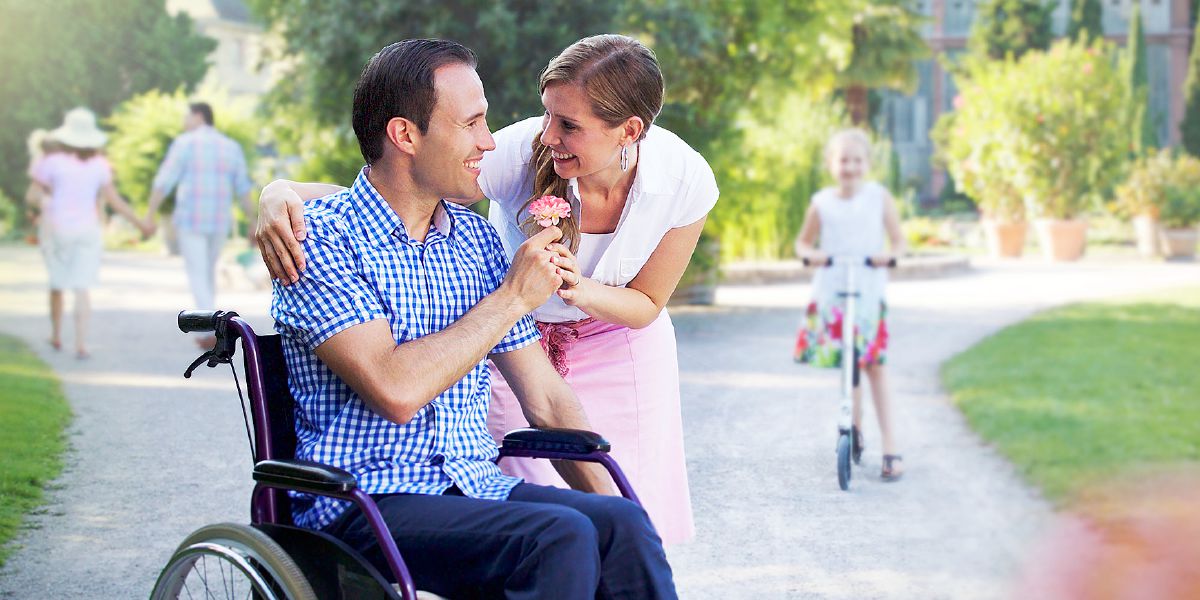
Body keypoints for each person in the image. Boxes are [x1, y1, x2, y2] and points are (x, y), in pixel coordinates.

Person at [256, 34, 718, 545]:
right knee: (560, 535)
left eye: (569, 125)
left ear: (630, 131)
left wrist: (619, 524)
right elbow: (390, 188)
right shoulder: (328, 239)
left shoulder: (679, 179)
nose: (498, 139)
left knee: (624, 524)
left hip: (610, 343)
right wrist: (280, 191)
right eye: (474, 123)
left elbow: (644, 307)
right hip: (380, 484)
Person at [792, 128, 907, 481]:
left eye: (857, 160)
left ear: (867, 164)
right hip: (834, 293)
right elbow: (803, 242)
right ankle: (853, 427)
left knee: (874, 366)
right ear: (832, 164)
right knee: (849, 366)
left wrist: (888, 256)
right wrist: (813, 256)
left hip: (868, 292)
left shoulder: (878, 198)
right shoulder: (822, 202)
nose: (851, 167)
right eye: (844, 160)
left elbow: (900, 242)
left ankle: (890, 446)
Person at [26, 108, 152, 358]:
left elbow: (32, 196)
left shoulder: (50, 162)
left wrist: (48, 196)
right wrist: (141, 224)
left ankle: (56, 335)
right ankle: (81, 344)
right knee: (82, 287)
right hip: (88, 231)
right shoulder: (100, 165)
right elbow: (115, 201)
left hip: (57, 230)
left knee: (57, 284)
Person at [145, 102, 255, 348]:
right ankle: (212, 323)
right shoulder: (231, 147)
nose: (184, 120)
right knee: (206, 271)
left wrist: (150, 213)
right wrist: (252, 221)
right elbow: (243, 187)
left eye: (187, 115)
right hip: (218, 220)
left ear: (198, 116)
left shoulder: (184, 144)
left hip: (191, 218)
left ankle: (208, 329)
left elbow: (165, 180)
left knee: (198, 273)